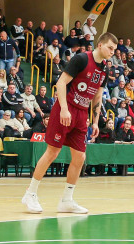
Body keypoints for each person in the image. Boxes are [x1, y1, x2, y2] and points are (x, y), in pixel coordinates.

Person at [21, 32, 117, 214]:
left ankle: (67, 200)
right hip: (65, 108)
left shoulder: (105, 69)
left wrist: (96, 122)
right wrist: (64, 109)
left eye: (114, 49)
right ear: (99, 45)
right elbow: (61, 82)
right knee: (52, 152)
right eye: (110, 48)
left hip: (82, 114)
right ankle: (30, 193)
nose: (112, 52)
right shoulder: (81, 59)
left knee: (80, 157)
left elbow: (97, 96)